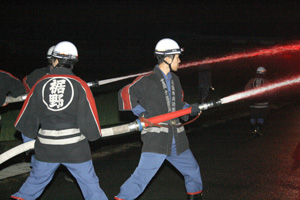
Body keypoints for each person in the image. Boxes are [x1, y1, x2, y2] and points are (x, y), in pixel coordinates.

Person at [11, 41, 108, 200]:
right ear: (73, 62)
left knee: (34, 184)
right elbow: (90, 117)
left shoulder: (39, 84)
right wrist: (93, 136)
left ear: (54, 60)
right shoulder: (80, 84)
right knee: (91, 186)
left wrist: (29, 142)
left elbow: (26, 119)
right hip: (75, 148)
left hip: (47, 148)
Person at [115, 38, 203, 200]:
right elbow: (125, 93)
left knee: (192, 170)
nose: (179, 60)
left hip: (177, 138)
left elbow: (179, 104)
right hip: (157, 139)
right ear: (167, 58)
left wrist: (191, 109)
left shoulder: (175, 80)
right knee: (141, 178)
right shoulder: (147, 79)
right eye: (177, 57)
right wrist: (142, 114)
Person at [244, 66, 269, 136]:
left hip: (253, 103)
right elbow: (269, 91)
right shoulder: (266, 81)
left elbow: (246, 88)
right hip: (263, 103)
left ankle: (253, 129)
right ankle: (258, 128)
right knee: (261, 116)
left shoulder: (252, 80)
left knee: (253, 116)